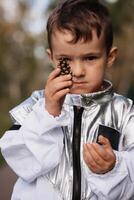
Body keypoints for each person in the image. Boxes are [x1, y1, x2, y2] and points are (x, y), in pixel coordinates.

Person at [0, 0, 134, 199]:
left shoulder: (124, 111)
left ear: (109, 57)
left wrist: (115, 166)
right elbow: (20, 161)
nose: (78, 72)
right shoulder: (34, 106)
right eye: (66, 60)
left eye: (90, 58)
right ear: (52, 57)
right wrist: (48, 113)